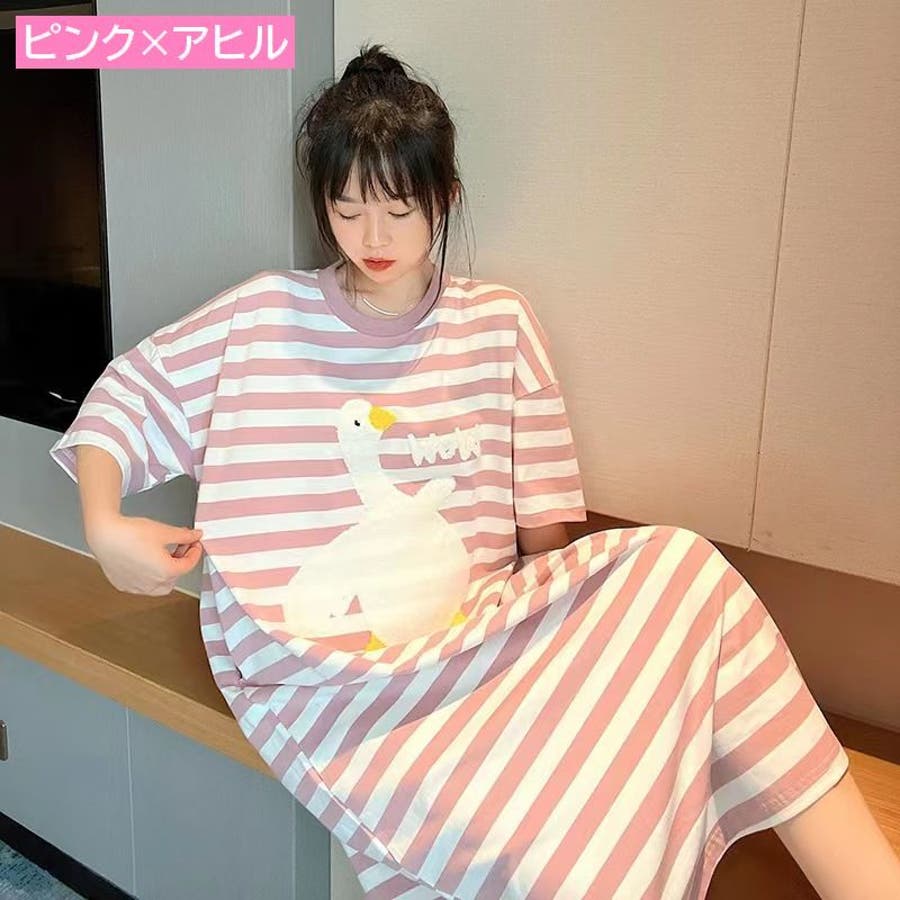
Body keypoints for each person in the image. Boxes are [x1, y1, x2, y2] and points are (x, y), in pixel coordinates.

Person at [48, 43, 899, 900]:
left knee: (686, 569)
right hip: (325, 675)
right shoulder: (263, 316)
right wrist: (103, 524)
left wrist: (559, 658)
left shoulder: (499, 323)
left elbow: (547, 546)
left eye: (398, 210)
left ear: (445, 198)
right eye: (346, 209)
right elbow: (125, 398)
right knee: (551, 857)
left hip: (481, 632)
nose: (372, 239)